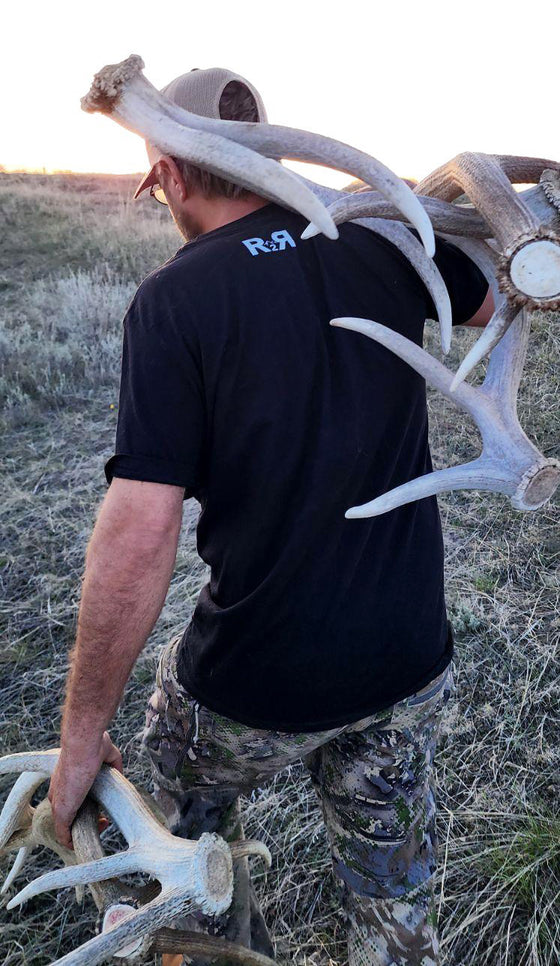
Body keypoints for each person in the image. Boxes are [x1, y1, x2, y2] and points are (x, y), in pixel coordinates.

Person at [48, 67, 493, 966]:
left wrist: (81, 736)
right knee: (394, 898)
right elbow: (490, 297)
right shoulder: (382, 244)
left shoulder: (176, 301)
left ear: (169, 173)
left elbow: (141, 529)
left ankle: (193, 931)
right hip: (408, 657)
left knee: (166, 835)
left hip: (259, 682)